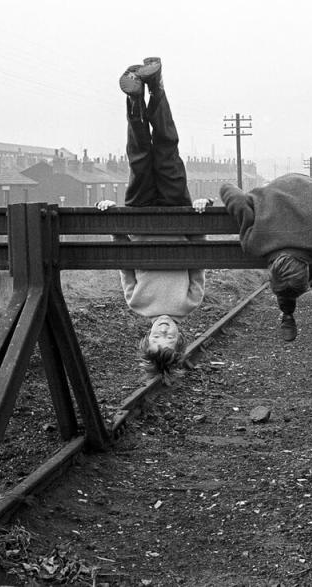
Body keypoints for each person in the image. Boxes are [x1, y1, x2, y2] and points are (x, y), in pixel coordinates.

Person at [97, 56, 212, 384]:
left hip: (140, 216)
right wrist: (201, 212)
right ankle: (156, 86)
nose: (163, 332)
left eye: (157, 339)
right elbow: (200, 255)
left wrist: (112, 217)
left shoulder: (136, 303)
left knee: (139, 158)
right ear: (180, 337)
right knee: (166, 153)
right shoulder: (190, 302)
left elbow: (123, 261)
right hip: (178, 215)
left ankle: (134, 97)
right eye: (169, 339)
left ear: (147, 338)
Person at [219, 173, 312, 344]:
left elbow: (228, 190)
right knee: (295, 275)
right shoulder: (255, 243)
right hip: (297, 191)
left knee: (307, 271)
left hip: (295, 188)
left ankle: (298, 314)